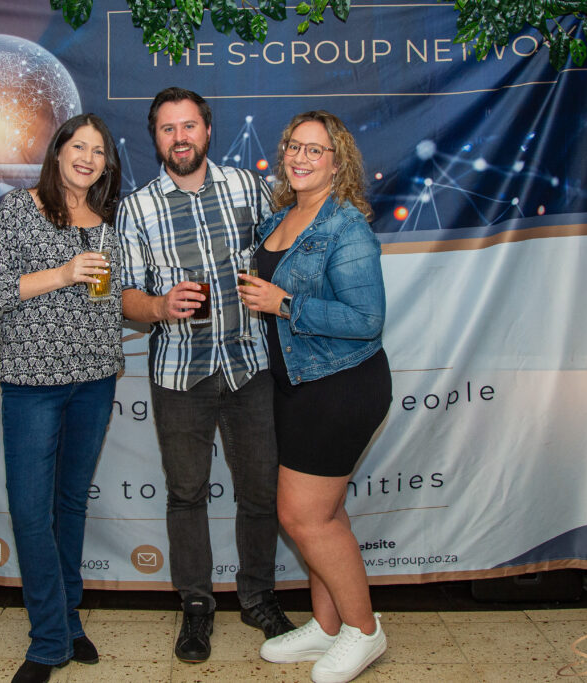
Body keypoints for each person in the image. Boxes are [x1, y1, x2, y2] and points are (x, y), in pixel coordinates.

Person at [117, 87, 296, 663]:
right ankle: (196, 604)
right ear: (156, 138)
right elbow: (124, 295)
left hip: (250, 365)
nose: (180, 138)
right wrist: (158, 306)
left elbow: (285, 252)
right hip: (179, 373)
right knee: (186, 494)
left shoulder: (248, 186)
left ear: (208, 130)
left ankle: (258, 597)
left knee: (260, 492)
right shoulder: (136, 208)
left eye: (188, 126)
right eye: (168, 129)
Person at [238, 111, 391, 683]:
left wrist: (284, 304)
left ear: (337, 162)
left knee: (303, 518)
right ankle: (329, 627)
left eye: (315, 150)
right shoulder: (280, 217)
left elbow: (366, 320)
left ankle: (364, 630)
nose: (300, 158)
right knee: (325, 514)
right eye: (294, 147)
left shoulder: (346, 227)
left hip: (341, 386)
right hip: (297, 385)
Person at [0, 113, 123, 683]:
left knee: (70, 505)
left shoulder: (107, 221)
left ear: (107, 165)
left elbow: (111, 299)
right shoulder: (20, 207)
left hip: (95, 379)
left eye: (99, 151)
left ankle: (68, 618)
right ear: (58, 152)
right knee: (32, 511)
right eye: (78, 146)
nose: (88, 158)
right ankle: (47, 642)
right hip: (33, 381)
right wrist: (62, 273)